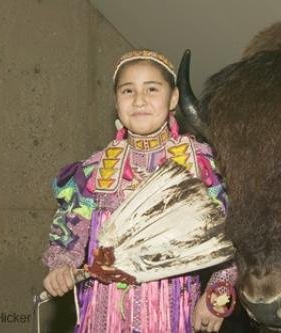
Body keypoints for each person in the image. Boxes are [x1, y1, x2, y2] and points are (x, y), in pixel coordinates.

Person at [41, 49, 237, 333]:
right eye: (128, 91)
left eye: (152, 89)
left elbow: (235, 240)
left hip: (172, 318)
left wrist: (218, 298)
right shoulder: (93, 170)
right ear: (116, 101)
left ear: (173, 98)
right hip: (101, 318)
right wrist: (60, 268)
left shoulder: (201, 165)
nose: (139, 100)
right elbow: (68, 234)